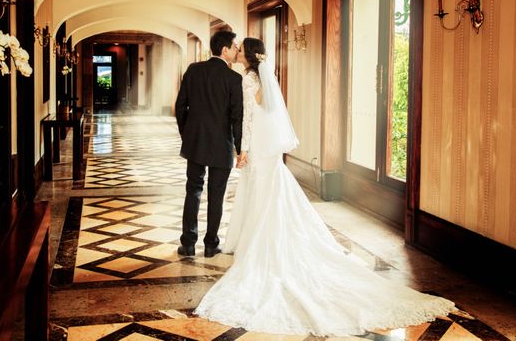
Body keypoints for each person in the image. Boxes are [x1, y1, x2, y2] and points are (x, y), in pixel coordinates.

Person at [194, 37, 456, 336]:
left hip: (258, 149)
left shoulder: (247, 81)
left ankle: (259, 242)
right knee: (270, 194)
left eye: (240, 49)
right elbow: (267, 117)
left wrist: (243, 151)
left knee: (261, 195)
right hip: (270, 151)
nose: (236, 51)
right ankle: (267, 235)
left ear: (248, 56)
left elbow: (249, 121)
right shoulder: (264, 79)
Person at [175, 30, 245, 258]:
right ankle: (210, 244)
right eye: (235, 47)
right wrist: (238, 147)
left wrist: (187, 133)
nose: (237, 50)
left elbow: (180, 106)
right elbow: (237, 117)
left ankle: (187, 243)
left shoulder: (193, 70)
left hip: (195, 142)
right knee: (217, 194)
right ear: (224, 50)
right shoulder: (234, 79)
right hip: (222, 145)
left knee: (193, 190)